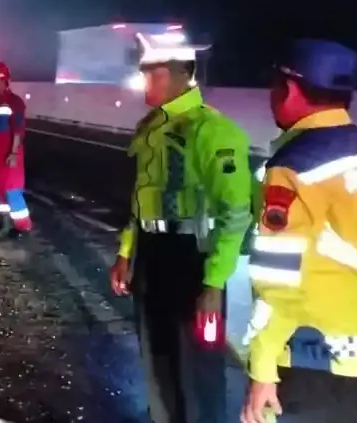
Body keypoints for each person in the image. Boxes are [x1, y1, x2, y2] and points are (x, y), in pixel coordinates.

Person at [107, 33, 254, 423]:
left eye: (148, 73)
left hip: (193, 258)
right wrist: (126, 252)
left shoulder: (212, 130)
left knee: (197, 369)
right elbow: (142, 197)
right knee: (157, 358)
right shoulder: (151, 127)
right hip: (151, 252)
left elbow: (235, 213)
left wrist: (214, 283)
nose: (143, 81)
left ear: (171, 74)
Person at [239, 39, 357, 423]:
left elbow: (278, 280)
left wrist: (263, 367)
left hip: (319, 364)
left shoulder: (294, 166)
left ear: (290, 89)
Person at [0, 61, 33, 239]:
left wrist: (13, 153)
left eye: (0, 80)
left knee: (12, 189)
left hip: (9, 151)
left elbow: (18, 129)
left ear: (7, 81)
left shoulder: (15, 102)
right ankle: (4, 224)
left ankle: (23, 227)